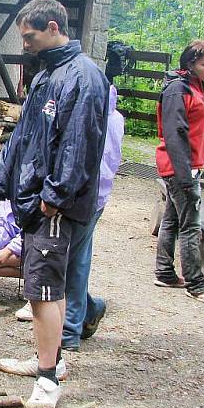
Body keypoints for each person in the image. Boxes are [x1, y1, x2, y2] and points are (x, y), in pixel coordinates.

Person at [0, 0, 110, 408]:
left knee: (46, 289)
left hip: (56, 206)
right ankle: (48, 361)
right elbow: (22, 139)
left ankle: (49, 383)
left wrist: (56, 196)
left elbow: (80, 145)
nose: (26, 45)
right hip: (36, 201)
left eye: (29, 36)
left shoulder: (84, 78)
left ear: (52, 27)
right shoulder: (47, 76)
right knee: (39, 289)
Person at [153, 41, 204, 305]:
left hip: (188, 165)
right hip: (179, 168)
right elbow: (175, 135)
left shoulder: (198, 87)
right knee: (191, 226)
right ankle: (196, 283)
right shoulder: (178, 90)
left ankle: (164, 272)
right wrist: (185, 176)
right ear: (190, 65)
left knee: (172, 219)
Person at [61, 84, 125, 351]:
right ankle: (87, 312)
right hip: (94, 196)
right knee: (76, 260)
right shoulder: (114, 116)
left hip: (84, 197)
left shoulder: (94, 119)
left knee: (67, 263)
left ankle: (69, 331)